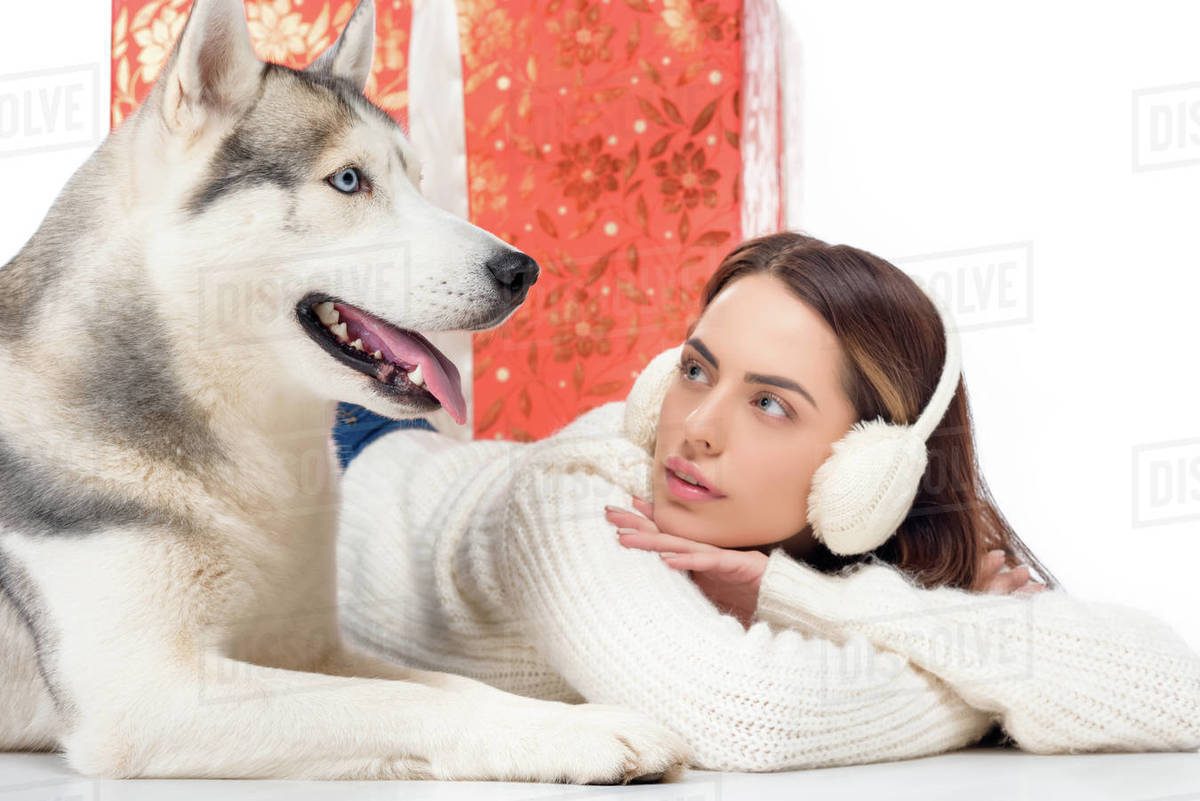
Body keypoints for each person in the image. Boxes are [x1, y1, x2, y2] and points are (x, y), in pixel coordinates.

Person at [333, 231, 1200, 772]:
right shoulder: (578, 504)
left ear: (866, 472)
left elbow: (1174, 687)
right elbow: (745, 715)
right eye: (698, 369)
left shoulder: (817, 540)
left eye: (771, 402)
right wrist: (978, 669)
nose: (697, 427)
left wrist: (787, 594)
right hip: (342, 461)